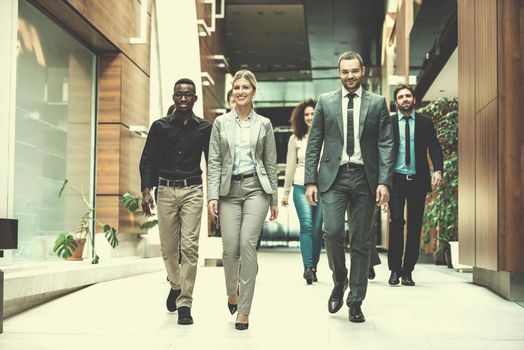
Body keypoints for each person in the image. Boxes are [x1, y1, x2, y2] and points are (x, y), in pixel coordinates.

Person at [304, 51, 394, 323]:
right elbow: (314, 142)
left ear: (362, 70)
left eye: (354, 71)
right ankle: (339, 280)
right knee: (330, 232)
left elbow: (386, 144)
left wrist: (384, 181)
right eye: (345, 72)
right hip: (334, 177)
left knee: (361, 241)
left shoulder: (378, 103)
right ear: (339, 72)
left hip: (366, 179)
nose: (350, 76)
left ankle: (355, 301)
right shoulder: (325, 102)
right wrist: (310, 180)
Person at [207, 70, 278, 331]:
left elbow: (270, 163)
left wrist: (273, 198)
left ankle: (244, 311)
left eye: (245, 87)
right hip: (228, 191)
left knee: (248, 245)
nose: (240, 91)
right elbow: (214, 162)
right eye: (236, 87)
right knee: (229, 249)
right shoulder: (220, 123)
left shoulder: (264, 124)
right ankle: (231, 291)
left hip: (256, 188)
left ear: (253, 92)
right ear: (232, 93)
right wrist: (212, 195)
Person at [139, 78, 212, 325]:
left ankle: (185, 302)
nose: (183, 98)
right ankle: (175, 282)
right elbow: (147, 159)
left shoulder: (205, 128)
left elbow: (212, 162)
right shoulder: (160, 127)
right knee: (169, 248)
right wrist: (146, 190)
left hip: (192, 189)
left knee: (189, 247)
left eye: (188, 95)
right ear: (174, 97)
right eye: (179, 94)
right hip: (165, 191)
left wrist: (215, 196)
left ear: (194, 99)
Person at [387, 84, 443, 286]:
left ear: (414, 99)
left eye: (408, 96)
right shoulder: (390, 122)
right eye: (401, 97)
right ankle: (394, 269)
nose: (405, 99)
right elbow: (382, 151)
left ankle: (407, 271)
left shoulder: (425, 122)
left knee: (414, 226)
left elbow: (434, 148)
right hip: (395, 181)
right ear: (396, 102)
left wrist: (437, 170)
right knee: (396, 222)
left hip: (417, 181)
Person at [281, 98, 323, 284]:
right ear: (301, 117)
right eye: (306, 114)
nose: (309, 117)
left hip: (324, 188)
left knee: (317, 229)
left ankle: (314, 265)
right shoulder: (295, 138)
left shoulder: (327, 136)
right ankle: (307, 267)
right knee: (306, 225)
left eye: (313, 114)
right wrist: (285, 192)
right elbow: (290, 167)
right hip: (300, 186)